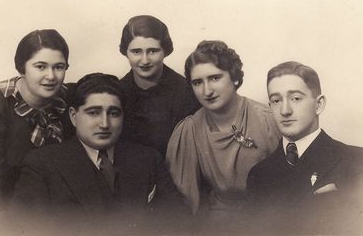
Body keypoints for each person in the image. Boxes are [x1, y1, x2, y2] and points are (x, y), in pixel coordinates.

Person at [10, 73, 186, 234]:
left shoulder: (148, 159)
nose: (104, 123)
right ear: (73, 116)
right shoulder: (42, 165)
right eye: (93, 112)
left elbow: (179, 222)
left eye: (114, 113)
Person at [165, 40, 280, 229]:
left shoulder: (269, 120)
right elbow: (184, 204)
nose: (207, 91)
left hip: (271, 221)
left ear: (234, 78)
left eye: (215, 78)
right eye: (197, 82)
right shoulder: (189, 131)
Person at [247, 61, 363, 234]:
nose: (285, 110)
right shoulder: (259, 174)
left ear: (319, 104)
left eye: (295, 98)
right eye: (276, 100)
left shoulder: (355, 160)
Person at [0, 29, 70, 211]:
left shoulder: (68, 102)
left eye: (59, 67)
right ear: (22, 68)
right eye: (40, 66)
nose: (51, 76)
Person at [119, 15, 200, 157]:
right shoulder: (117, 93)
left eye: (153, 51)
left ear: (165, 51)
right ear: (126, 52)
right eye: (136, 51)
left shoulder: (188, 92)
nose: (145, 60)